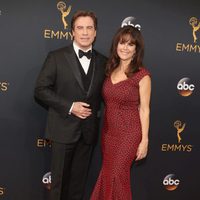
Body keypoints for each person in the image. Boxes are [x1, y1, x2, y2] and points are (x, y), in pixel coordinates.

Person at [34, 10, 107, 200]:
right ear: (72, 32)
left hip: (88, 132)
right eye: (80, 28)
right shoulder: (56, 57)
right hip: (62, 130)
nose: (85, 32)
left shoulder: (104, 62)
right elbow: (41, 90)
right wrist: (70, 106)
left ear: (95, 32)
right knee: (58, 185)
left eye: (89, 28)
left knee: (78, 186)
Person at [90, 25, 151, 200]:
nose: (125, 48)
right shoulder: (110, 71)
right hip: (109, 133)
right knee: (108, 174)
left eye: (130, 44)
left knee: (117, 175)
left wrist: (144, 141)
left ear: (136, 49)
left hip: (129, 134)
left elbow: (145, 109)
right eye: (122, 43)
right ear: (116, 45)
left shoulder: (142, 75)